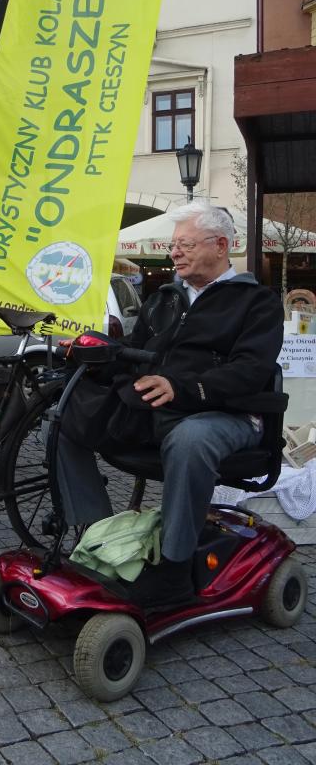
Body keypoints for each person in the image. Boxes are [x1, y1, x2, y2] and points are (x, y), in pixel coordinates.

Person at [57, 201, 285, 606]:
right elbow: (134, 352)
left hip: (230, 413)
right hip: (161, 409)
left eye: (184, 244)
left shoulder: (257, 302)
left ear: (219, 246)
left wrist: (184, 388)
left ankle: (175, 571)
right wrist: (95, 355)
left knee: (191, 440)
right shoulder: (164, 298)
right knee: (64, 416)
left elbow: (250, 371)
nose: (174, 252)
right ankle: (102, 533)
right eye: (173, 245)